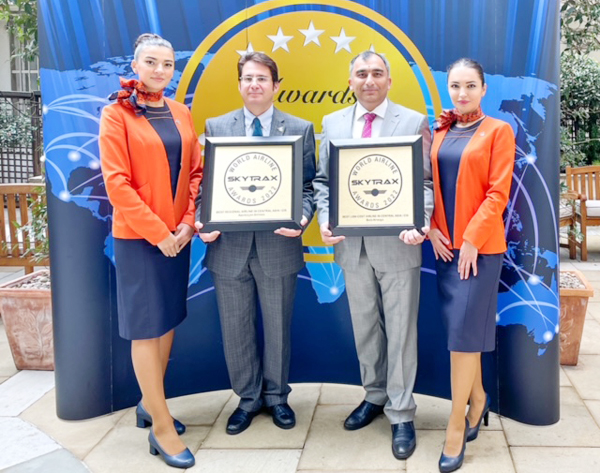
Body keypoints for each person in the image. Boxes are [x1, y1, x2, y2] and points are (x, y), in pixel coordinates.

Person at [313, 50, 433, 460]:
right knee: (364, 327)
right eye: (361, 74)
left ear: (389, 80)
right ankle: (375, 395)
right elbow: (324, 181)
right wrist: (326, 219)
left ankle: (401, 412)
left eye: (377, 73)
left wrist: (421, 220)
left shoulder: (413, 122)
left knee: (400, 332)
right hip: (351, 245)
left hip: (399, 243)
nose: (369, 80)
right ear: (350, 81)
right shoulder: (332, 123)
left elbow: (425, 183)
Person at [194, 52, 316, 435]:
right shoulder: (216, 127)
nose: (254, 85)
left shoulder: (300, 128)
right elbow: (205, 186)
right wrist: (202, 218)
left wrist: (302, 218)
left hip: (278, 245)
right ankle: (247, 399)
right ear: (239, 84)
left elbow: (309, 187)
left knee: (278, 328)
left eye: (262, 78)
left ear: (276, 85)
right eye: (247, 78)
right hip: (227, 247)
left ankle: (277, 397)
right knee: (235, 328)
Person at [99, 33, 202, 469]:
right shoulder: (115, 115)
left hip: (179, 236)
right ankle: (161, 427)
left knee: (167, 321)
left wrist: (187, 222)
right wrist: (158, 232)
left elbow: (196, 172)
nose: (160, 70)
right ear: (135, 65)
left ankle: (149, 403)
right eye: (151, 62)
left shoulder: (181, 112)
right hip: (140, 239)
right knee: (146, 328)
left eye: (167, 63)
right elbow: (116, 183)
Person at [428, 58, 515, 473]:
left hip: (478, 251)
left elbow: (498, 194)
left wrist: (471, 240)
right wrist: (431, 229)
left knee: (463, 337)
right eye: (455, 86)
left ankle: (455, 424)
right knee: (461, 333)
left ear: (484, 89)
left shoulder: (498, 130)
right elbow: (428, 186)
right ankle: (479, 398)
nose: (461, 93)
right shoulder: (440, 130)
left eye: (470, 86)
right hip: (445, 249)